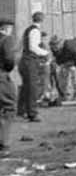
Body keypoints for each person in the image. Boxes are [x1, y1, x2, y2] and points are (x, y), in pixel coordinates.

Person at [17, 11, 48, 122]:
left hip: (24, 60)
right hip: (30, 61)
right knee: (32, 88)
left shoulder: (27, 30)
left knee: (25, 87)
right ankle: (32, 113)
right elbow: (33, 48)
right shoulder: (35, 31)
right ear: (42, 20)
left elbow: (20, 46)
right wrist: (45, 53)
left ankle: (21, 110)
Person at [49, 34, 76, 102]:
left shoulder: (69, 45)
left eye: (55, 44)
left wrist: (72, 64)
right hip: (67, 60)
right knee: (62, 75)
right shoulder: (55, 49)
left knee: (75, 75)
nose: (54, 47)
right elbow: (58, 59)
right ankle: (65, 94)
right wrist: (60, 64)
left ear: (60, 43)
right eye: (52, 44)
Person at [0, 18, 16, 154]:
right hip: (1, 75)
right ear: (5, 28)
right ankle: (4, 143)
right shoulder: (6, 40)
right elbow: (9, 58)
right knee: (9, 107)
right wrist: (8, 69)